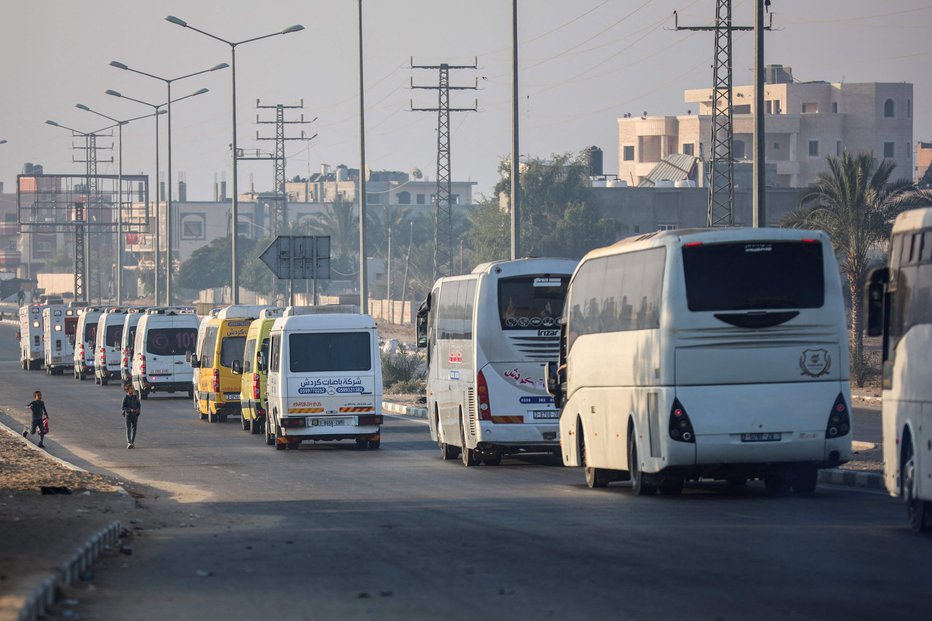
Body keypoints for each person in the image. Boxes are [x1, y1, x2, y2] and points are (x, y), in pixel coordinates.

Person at [122, 384, 141, 449]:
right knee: (128, 428)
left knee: (134, 429)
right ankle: (129, 442)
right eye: (131, 388)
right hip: (128, 415)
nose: (132, 390)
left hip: (135, 415)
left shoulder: (135, 397)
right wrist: (130, 410)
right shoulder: (126, 397)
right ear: (128, 389)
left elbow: (139, 405)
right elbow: (123, 407)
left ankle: (132, 442)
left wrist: (138, 410)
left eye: (133, 388)